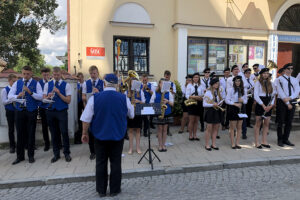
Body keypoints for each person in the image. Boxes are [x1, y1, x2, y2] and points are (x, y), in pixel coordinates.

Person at [80, 73, 134, 197]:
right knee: (116, 162)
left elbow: (86, 118)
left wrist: (84, 133)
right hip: (117, 135)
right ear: (116, 85)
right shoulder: (123, 98)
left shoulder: (95, 97)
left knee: (100, 162)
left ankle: (101, 190)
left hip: (99, 135)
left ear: (104, 83)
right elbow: (132, 115)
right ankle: (114, 190)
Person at [8, 66, 43, 165]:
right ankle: (20, 157)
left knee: (31, 134)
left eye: (28, 74)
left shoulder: (36, 83)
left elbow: (40, 97)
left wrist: (30, 92)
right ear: (22, 73)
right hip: (19, 111)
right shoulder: (17, 83)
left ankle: (31, 156)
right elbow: (10, 96)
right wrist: (17, 96)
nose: (26, 76)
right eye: (24, 74)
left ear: (31, 73)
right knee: (19, 134)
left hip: (31, 111)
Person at [43, 67, 72, 163]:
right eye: (54, 75)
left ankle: (67, 153)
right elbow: (44, 99)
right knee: (54, 134)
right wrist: (48, 96)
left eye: (58, 75)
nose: (56, 76)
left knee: (64, 132)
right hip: (50, 111)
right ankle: (56, 154)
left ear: (61, 74)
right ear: (52, 74)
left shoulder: (66, 85)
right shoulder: (47, 85)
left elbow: (68, 101)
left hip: (62, 111)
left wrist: (59, 93)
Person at [82, 65, 104, 160]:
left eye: (94, 73)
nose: (93, 75)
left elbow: (105, 96)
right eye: (91, 73)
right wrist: (88, 96)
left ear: (97, 73)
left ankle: (101, 151)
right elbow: (83, 97)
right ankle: (92, 152)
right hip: (89, 109)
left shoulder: (103, 83)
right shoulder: (85, 83)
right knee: (90, 132)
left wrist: (98, 92)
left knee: (100, 130)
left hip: (99, 110)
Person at [276, 63, 300, 147]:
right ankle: (280, 140)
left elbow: (297, 90)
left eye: (291, 69)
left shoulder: (294, 80)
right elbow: (280, 91)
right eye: (288, 68)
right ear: (285, 69)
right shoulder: (279, 79)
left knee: (289, 122)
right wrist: (287, 103)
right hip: (282, 102)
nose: (290, 70)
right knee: (281, 122)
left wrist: (290, 98)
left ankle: (286, 139)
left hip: (291, 101)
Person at [254, 68, 276, 149]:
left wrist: (271, 105)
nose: (266, 75)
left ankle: (264, 141)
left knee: (266, 123)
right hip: (261, 102)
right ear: (261, 74)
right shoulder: (258, 83)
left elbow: (273, 95)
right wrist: (262, 105)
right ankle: (257, 142)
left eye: (267, 73)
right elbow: (256, 95)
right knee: (258, 124)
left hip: (268, 102)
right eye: (264, 73)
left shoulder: (271, 83)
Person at [150, 78, 174, 152]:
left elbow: (172, 104)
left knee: (165, 130)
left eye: (164, 84)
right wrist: (157, 105)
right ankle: (160, 145)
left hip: (166, 113)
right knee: (160, 129)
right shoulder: (155, 92)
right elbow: (151, 102)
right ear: (159, 84)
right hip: (159, 112)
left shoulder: (168, 93)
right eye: (161, 83)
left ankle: (164, 145)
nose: (163, 85)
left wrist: (167, 101)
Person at [225, 76, 248, 149]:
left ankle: (237, 143)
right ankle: (232, 143)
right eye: (236, 81)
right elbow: (227, 100)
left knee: (239, 126)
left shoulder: (243, 90)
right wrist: (235, 104)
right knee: (232, 127)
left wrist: (243, 101)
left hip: (241, 107)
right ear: (234, 82)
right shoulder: (231, 90)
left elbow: (246, 100)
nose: (238, 82)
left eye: (239, 81)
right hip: (233, 107)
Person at [203, 78, 225, 151]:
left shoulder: (218, 92)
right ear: (212, 85)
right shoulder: (208, 92)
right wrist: (212, 105)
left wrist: (220, 102)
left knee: (216, 128)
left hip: (217, 111)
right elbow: (204, 104)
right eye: (216, 83)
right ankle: (207, 144)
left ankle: (213, 144)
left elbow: (221, 100)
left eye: (218, 83)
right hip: (210, 111)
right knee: (209, 128)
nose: (217, 85)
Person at [126, 78, 145, 154]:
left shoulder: (140, 92)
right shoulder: (127, 92)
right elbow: (124, 103)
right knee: (130, 130)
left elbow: (144, 102)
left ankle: (138, 147)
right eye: (132, 83)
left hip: (138, 112)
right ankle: (130, 148)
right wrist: (129, 100)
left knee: (138, 130)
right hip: (130, 112)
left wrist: (139, 101)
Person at [1, 74, 17, 153]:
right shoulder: (5, 90)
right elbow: (4, 102)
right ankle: (12, 146)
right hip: (10, 111)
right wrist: (12, 100)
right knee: (11, 129)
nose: (14, 83)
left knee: (20, 128)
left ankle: (23, 144)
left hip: (18, 111)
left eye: (16, 81)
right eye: (13, 81)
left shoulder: (17, 89)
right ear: (9, 81)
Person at [186, 72, 203, 141]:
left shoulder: (201, 86)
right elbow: (187, 95)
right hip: (191, 103)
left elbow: (202, 96)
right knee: (191, 120)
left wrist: (198, 98)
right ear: (192, 78)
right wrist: (194, 97)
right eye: (195, 77)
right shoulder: (189, 85)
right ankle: (190, 135)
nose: (196, 78)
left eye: (197, 77)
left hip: (198, 104)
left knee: (196, 121)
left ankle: (195, 135)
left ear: (199, 78)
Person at [39, 67, 51, 151]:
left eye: (47, 74)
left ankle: (57, 142)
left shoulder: (52, 82)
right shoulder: (39, 83)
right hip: (42, 107)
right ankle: (47, 144)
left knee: (54, 126)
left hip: (51, 107)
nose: (46, 76)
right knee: (44, 127)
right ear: (42, 74)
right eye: (44, 74)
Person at [241, 68, 255, 139]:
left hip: (250, 98)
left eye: (249, 73)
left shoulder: (252, 81)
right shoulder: (243, 80)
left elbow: (253, 89)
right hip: (244, 98)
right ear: (245, 74)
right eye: (247, 73)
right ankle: (243, 129)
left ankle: (248, 123)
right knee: (244, 114)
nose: (248, 74)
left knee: (249, 111)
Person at [164, 70, 176, 136]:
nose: (167, 77)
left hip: (169, 101)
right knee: (161, 116)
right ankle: (160, 131)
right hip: (163, 100)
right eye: (166, 76)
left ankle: (168, 131)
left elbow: (174, 92)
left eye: (168, 76)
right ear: (164, 76)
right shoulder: (161, 83)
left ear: (170, 76)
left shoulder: (172, 83)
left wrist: (171, 90)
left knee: (168, 116)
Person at [74, 72, 84, 144]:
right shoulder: (76, 84)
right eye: (78, 77)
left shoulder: (85, 83)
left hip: (84, 102)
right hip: (78, 102)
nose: (80, 78)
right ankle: (80, 132)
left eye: (81, 77)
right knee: (79, 118)